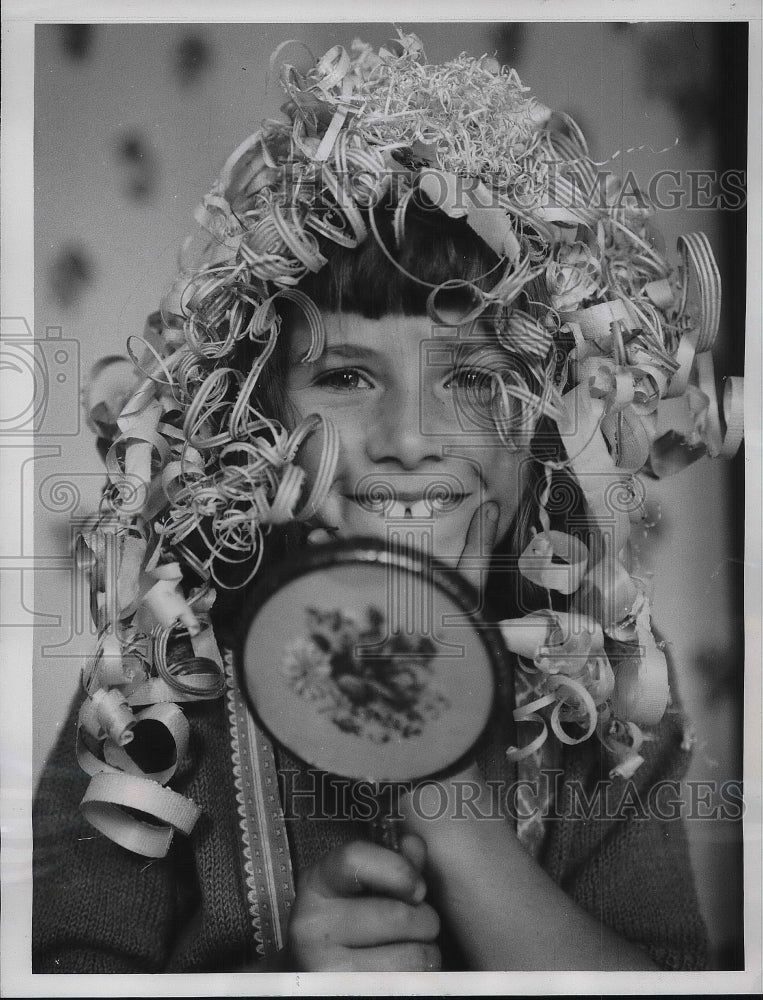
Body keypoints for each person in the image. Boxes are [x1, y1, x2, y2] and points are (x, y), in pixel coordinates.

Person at [32, 30, 741, 974]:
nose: (409, 439)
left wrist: (454, 821)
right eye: (346, 377)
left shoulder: (608, 709)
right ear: (261, 416)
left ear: (535, 430)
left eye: (475, 380)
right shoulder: (156, 691)